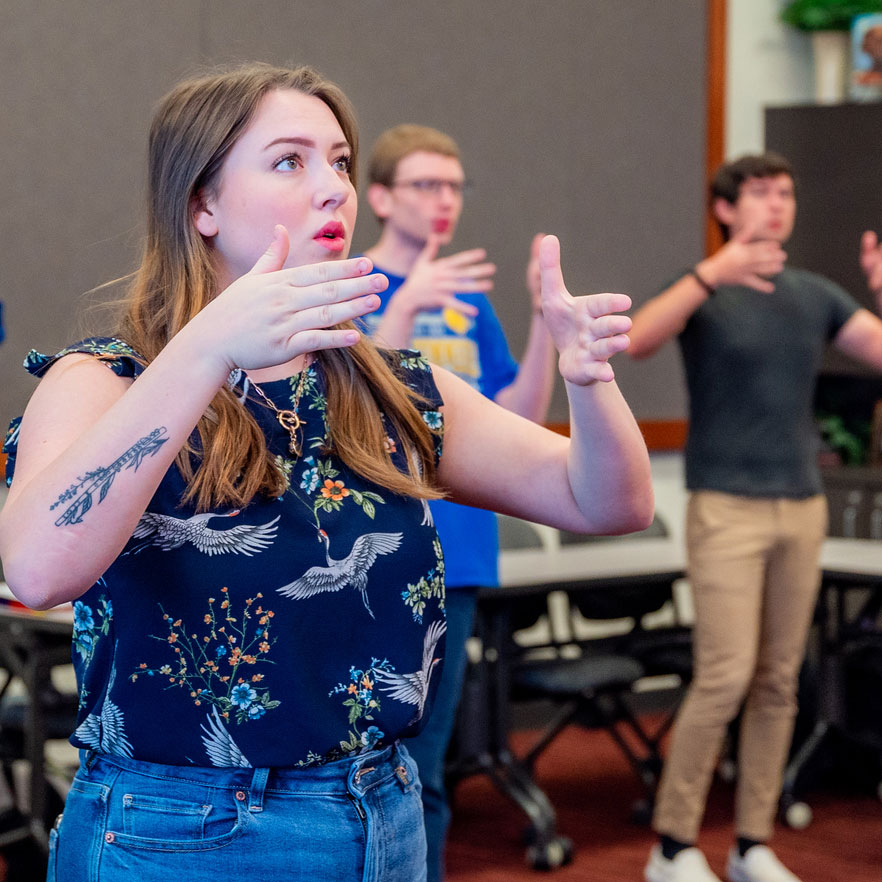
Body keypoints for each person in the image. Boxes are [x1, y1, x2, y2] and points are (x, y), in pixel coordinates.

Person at [0, 62, 653, 882]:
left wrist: (588, 382)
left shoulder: (390, 387)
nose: (333, 189)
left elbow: (606, 501)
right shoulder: (103, 379)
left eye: (340, 161)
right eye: (289, 161)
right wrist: (206, 347)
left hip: (381, 814)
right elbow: (37, 566)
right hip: (179, 833)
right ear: (200, 205)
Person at [629, 152, 882, 882]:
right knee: (725, 676)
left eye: (787, 194)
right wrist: (713, 273)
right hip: (726, 508)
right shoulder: (703, 291)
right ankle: (672, 846)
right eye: (761, 194)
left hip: (800, 507)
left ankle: (752, 842)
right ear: (726, 209)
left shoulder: (814, 294)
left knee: (779, 679)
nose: (778, 205)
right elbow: (638, 339)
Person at [359, 123, 556, 882]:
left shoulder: (469, 303)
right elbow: (357, 409)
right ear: (379, 196)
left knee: (423, 768)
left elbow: (519, 418)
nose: (445, 201)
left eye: (454, 186)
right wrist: (405, 306)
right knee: (362, 766)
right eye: (425, 185)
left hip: (460, 554)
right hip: (371, 556)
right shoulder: (348, 282)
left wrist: (544, 319)